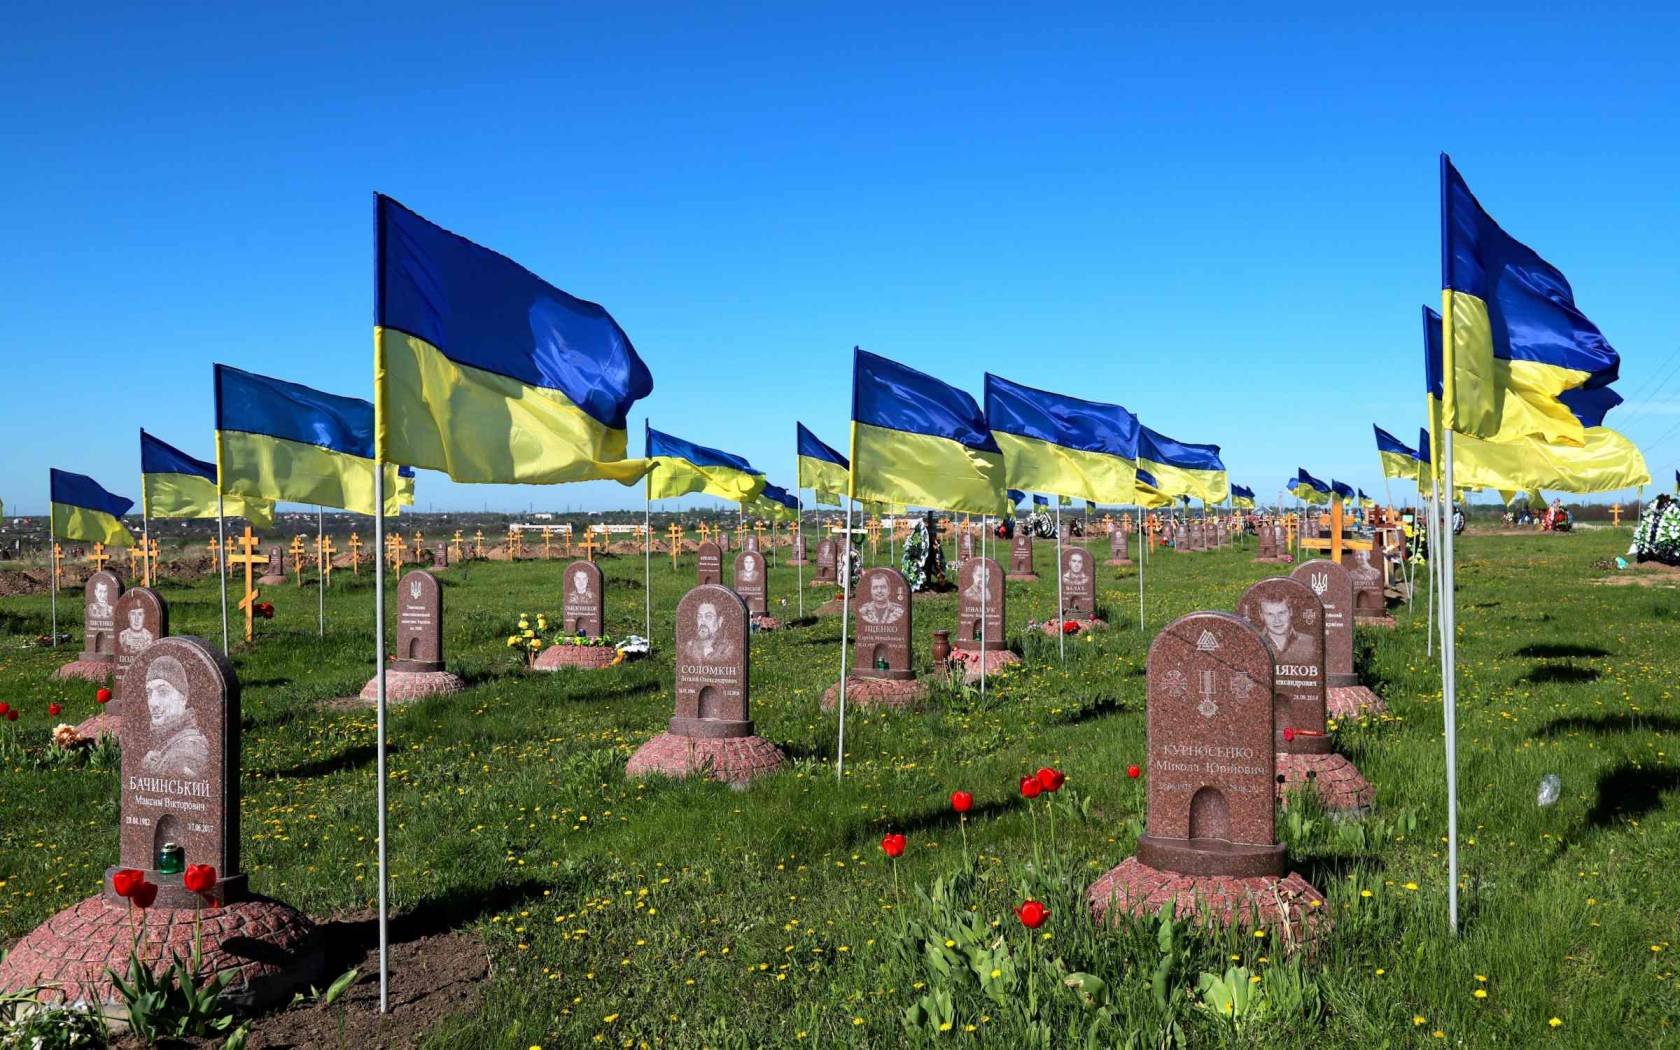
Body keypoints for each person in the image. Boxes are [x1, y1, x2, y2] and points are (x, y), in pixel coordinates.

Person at [139, 655, 209, 779]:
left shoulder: (187, 752)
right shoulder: (169, 740)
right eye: (149, 693)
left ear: (183, 698)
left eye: (163, 692)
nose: (153, 703)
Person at [1255, 596, 1314, 666]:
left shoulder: (1309, 642)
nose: (1277, 620)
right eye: (1270, 614)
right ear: (1261, 615)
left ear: (1290, 612)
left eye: (1281, 613)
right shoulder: (1255, 643)